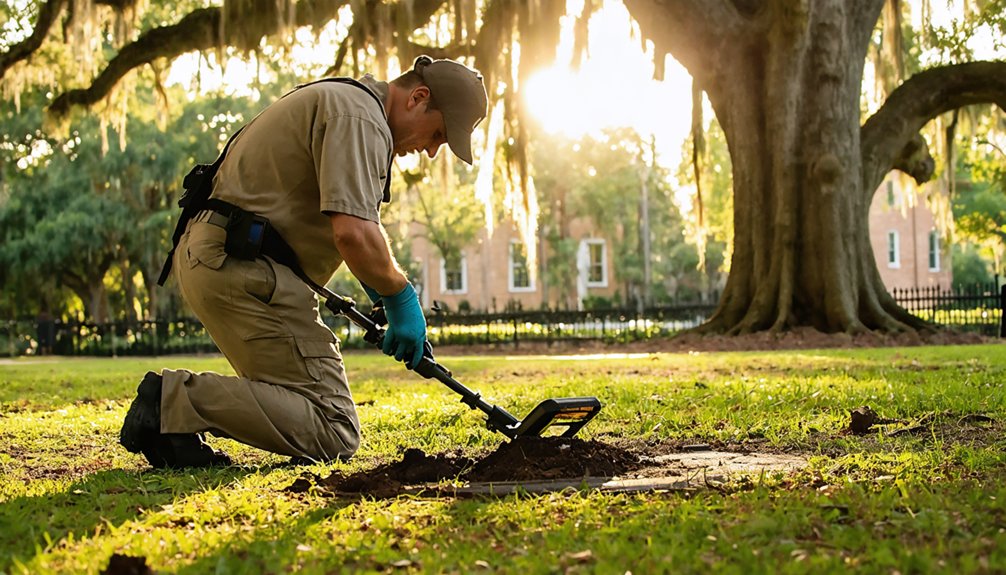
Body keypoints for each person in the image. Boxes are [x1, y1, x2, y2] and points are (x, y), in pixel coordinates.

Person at [118, 56, 489, 468]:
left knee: (306, 404)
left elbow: (355, 229)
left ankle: (172, 431)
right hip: (242, 269)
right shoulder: (360, 117)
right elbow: (352, 232)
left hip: (231, 262)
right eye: (438, 133)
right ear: (418, 98)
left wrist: (377, 290)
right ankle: (173, 400)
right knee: (334, 427)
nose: (433, 150)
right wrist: (401, 298)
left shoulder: (350, 105)